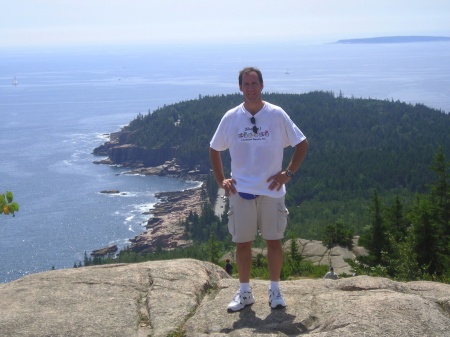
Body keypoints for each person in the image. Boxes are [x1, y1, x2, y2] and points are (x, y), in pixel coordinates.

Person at [209, 67, 309, 312]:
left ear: (262, 86)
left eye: (254, 83)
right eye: (246, 84)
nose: (251, 88)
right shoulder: (231, 117)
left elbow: (302, 143)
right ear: (240, 87)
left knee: (273, 242)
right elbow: (214, 149)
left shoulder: (276, 114)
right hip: (241, 191)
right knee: (243, 244)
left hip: (271, 191)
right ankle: (245, 293)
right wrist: (221, 180)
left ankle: (275, 291)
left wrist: (287, 174)